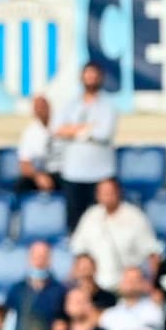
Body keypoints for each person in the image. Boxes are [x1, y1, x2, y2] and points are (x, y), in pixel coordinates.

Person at [55, 62, 119, 232]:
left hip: (100, 174)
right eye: (87, 75)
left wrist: (73, 130)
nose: (90, 79)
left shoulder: (108, 106)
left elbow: (103, 133)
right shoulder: (69, 105)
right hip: (73, 174)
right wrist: (88, 128)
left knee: (101, 226)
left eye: (94, 75)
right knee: (75, 226)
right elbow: (58, 129)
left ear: (100, 78)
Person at [69, 178, 160, 292]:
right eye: (103, 193)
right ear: (97, 195)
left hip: (126, 286)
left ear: (119, 192)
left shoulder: (135, 217)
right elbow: (78, 250)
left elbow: (152, 253)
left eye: (110, 192)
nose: (107, 196)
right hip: (95, 287)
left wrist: (154, 286)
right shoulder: (90, 215)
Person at [2, 241, 67, 330]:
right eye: (36, 256)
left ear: (50, 259)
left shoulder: (60, 291)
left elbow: (64, 321)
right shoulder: (17, 289)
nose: (39, 260)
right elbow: (7, 319)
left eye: (43, 256)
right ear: (29, 258)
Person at [15, 95, 62, 194]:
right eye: (37, 108)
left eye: (43, 106)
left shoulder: (63, 126)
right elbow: (24, 163)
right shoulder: (29, 133)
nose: (41, 110)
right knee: (21, 185)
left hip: (62, 172)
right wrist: (38, 177)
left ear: (49, 107)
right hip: (40, 172)